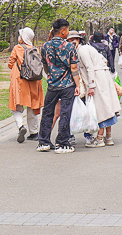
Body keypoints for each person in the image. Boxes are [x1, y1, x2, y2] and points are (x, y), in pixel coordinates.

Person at [37, 18, 82, 154]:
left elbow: (45, 64)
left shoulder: (45, 46)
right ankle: (62, 142)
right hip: (67, 85)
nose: (68, 32)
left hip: (52, 84)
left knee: (47, 112)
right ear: (63, 31)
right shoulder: (69, 47)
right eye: (67, 30)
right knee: (65, 113)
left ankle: (43, 141)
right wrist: (78, 85)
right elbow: (74, 68)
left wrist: (50, 75)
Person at [71, 32, 121, 147]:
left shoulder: (82, 50)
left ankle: (100, 139)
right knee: (107, 107)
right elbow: (103, 60)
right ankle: (109, 137)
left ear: (79, 40)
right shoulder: (86, 48)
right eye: (69, 40)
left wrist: (91, 85)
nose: (71, 42)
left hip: (97, 80)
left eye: (74, 39)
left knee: (100, 109)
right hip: (102, 77)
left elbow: (89, 67)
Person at [8, 27, 43, 143]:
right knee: (32, 106)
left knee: (17, 105)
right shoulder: (35, 49)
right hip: (34, 81)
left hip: (20, 80)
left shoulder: (17, 48)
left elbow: (10, 63)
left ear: (23, 37)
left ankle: (21, 126)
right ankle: (34, 132)